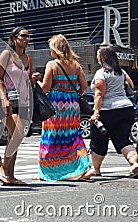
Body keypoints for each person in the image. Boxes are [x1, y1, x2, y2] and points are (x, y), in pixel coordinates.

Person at [37, 34, 92, 181]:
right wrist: (73, 94)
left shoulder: (52, 65)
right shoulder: (75, 65)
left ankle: (51, 171)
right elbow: (84, 86)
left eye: (51, 49)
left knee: (52, 137)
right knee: (73, 136)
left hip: (56, 105)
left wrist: (35, 82)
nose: (50, 52)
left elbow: (45, 87)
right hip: (72, 105)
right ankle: (83, 168)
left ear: (55, 49)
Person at [89, 46, 138, 178]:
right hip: (126, 108)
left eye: (98, 55)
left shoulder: (101, 73)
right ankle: (134, 163)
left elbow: (99, 94)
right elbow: (130, 85)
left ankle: (96, 169)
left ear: (102, 58)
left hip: (108, 110)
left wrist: (96, 112)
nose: (97, 58)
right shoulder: (121, 72)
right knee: (123, 140)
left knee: (99, 141)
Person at [0, 27, 32, 185]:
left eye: (28, 36)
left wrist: (33, 79)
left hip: (23, 103)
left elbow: (26, 80)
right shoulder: (6, 54)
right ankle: (3, 168)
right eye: (23, 36)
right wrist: (3, 98)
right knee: (17, 133)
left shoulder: (27, 58)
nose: (27, 39)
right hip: (7, 101)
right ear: (14, 38)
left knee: (14, 138)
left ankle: (11, 175)